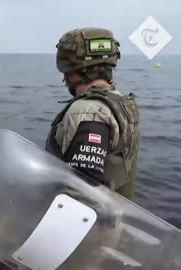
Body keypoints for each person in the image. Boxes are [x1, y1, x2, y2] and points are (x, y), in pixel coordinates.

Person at [45, 27, 140, 200]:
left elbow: (83, 193)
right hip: (112, 216)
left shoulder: (88, 111)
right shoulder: (119, 101)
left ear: (71, 73)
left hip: (89, 224)